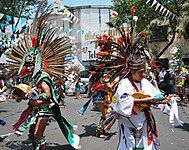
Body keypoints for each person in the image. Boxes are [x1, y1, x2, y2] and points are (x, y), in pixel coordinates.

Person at [5, 3, 80, 149]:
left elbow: (48, 96)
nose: (27, 68)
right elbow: (27, 94)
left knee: (38, 135)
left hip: (44, 110)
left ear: (36, 64)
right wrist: (22, 95)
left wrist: (35, 101)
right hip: (35, 109)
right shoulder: (33, 77)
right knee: (32, 134)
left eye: (29, 65)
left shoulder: (42, 78)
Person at [111, 56, 169, 150]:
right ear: (132, 71)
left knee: (145, 144)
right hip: (127, 121)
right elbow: (121, 101)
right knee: (130, 144)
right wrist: (142, 100)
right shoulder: (124, 83)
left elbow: (156, 96)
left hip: (144, 119)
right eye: (140, 72)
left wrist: (165, 100)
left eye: (144, 71)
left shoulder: (145, 82)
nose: (143, 75)